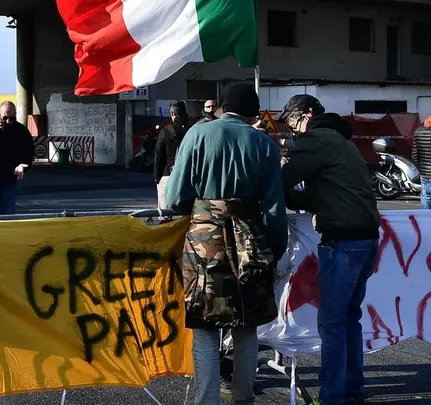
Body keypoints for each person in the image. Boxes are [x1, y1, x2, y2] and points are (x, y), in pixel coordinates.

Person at [165, 83, 286, 405]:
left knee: (205, 327)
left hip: (205, 242)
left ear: (220, 107)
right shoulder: (263, 143)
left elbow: (176, 197)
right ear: (253, 114)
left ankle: (207, 400)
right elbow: (274, 206)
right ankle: (243, 399)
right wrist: (275, 250)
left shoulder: (196, 135)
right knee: (246, 327)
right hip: (251, 242)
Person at [278, 94, 379, 405]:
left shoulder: (317, 140)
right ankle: (351, 391)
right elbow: (319, 197)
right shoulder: (342, 141)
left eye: (294, 122)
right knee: (349, 318)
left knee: (333, 323)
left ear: (308, 115)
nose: (293, 130)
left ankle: (333, 397)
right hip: (366, 240)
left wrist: (274, 165)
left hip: (342, 242)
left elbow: (281, 179)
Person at [153, 101, 190, 208]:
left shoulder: (165, 131)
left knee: (165, 212)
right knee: (183, 212)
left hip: (167, 175)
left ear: (173, 114)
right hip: (186, 176)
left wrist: (157, 177)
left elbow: (158, 155)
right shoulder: (191, 130)